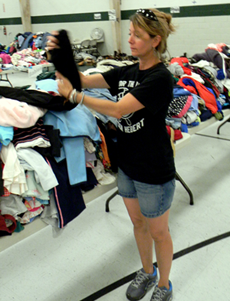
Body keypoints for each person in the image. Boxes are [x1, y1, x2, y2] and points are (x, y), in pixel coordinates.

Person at [47, 7, 176, 301]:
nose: (130, 40)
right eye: (130, 33)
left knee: (159, 232)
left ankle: (164, 285)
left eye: (138, 35)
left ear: (156, 40)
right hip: (128, 166)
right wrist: (60, 57)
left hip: (154, 170)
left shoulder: (160, 78)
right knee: (138, 224)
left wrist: (76, 97)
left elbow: (118, 110)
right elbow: (84, 79)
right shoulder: (127, 71)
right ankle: (147, 271)